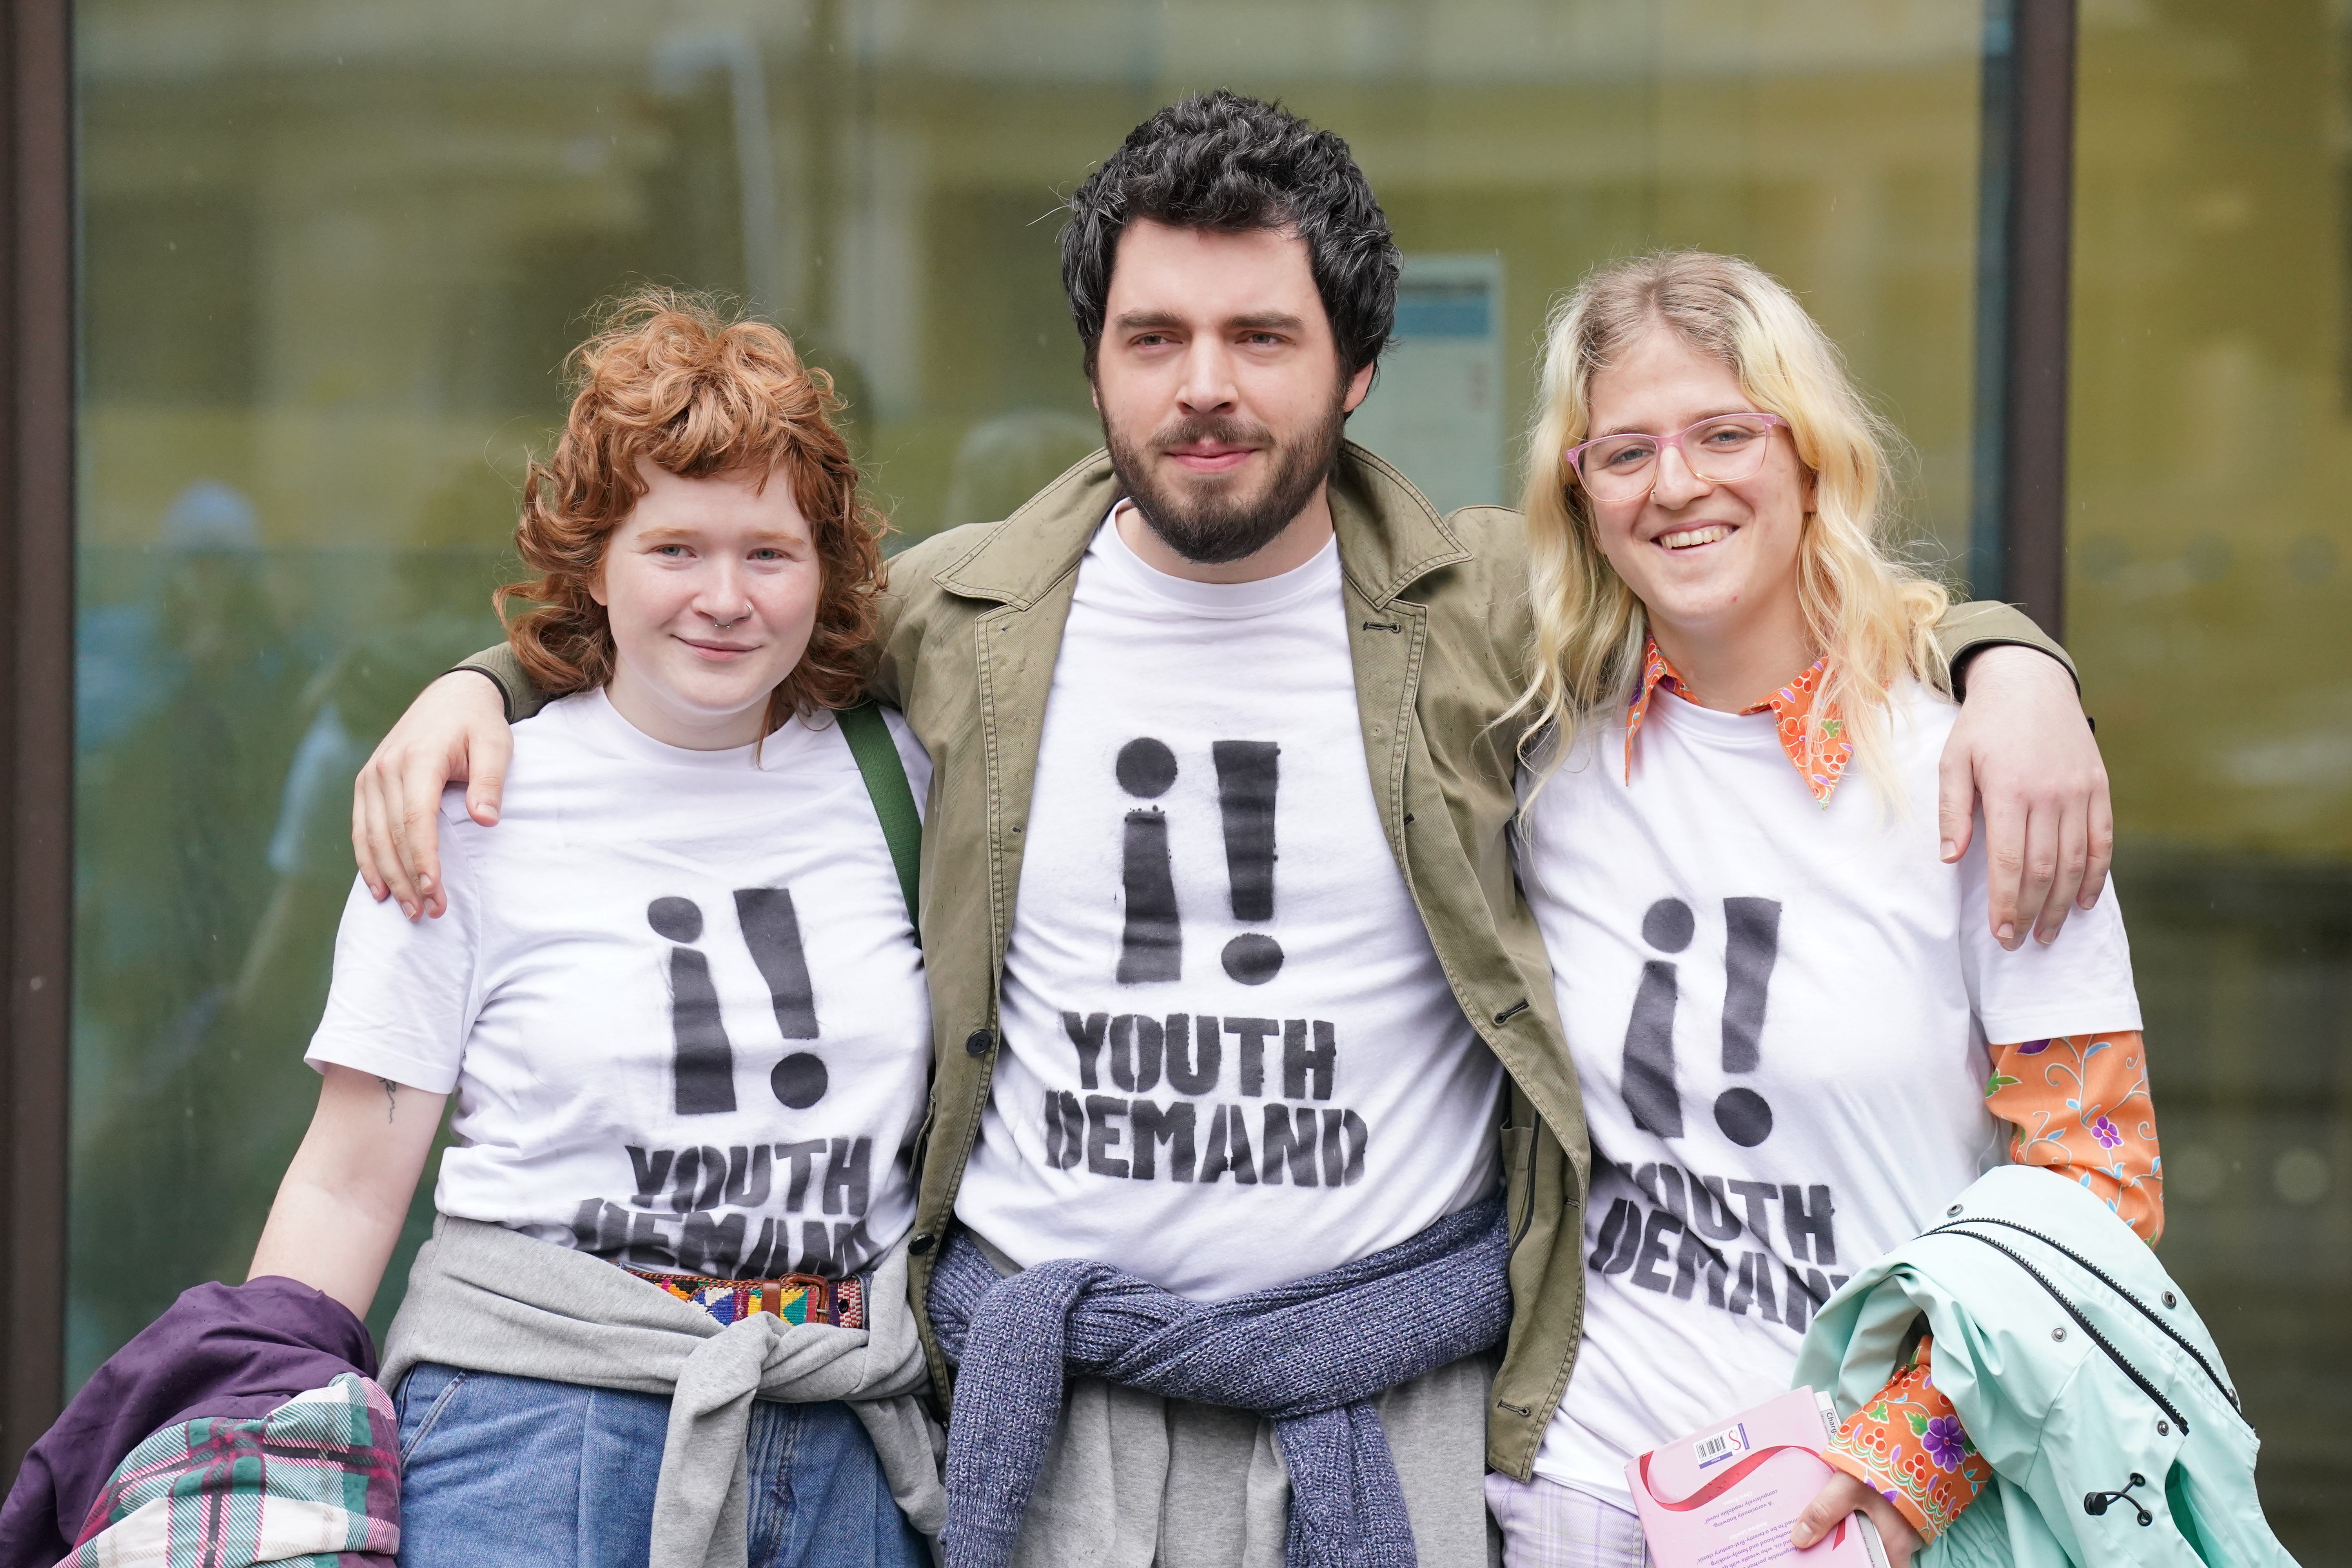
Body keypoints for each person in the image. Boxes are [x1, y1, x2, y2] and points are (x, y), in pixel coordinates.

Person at [351, 96, 2116, 1563]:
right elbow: (709, 622)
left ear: (1354, 368)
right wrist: (488, 682)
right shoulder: (963, 614)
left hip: (1387, 1411)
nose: (1209, 384)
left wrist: (2008, 663)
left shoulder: (1504, 605)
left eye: (1262, 336)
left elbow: (1766, 592)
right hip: (1045, 1413)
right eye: (1157, 338)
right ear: (1097, 367)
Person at [1487, 251, 2161, 1565]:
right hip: (1574, 1493)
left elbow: (2099, 1188)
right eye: (1623, 452)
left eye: (1725, 434)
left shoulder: (1978, 777)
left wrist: (1914, 1469)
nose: (1676, 485)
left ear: (1809, 456)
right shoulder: (1539, 771)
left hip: (1864, 1516)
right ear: (1578, 495)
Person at [250, 292, 942, 1567]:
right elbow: (349, 1179)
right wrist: (263, 1447)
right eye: (675, 548)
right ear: (596, 561)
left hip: (840, 1429)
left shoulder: (906, 779)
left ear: (826, 570)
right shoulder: (471, 801)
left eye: (769, 553)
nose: (724, 598)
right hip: (534, 1429)